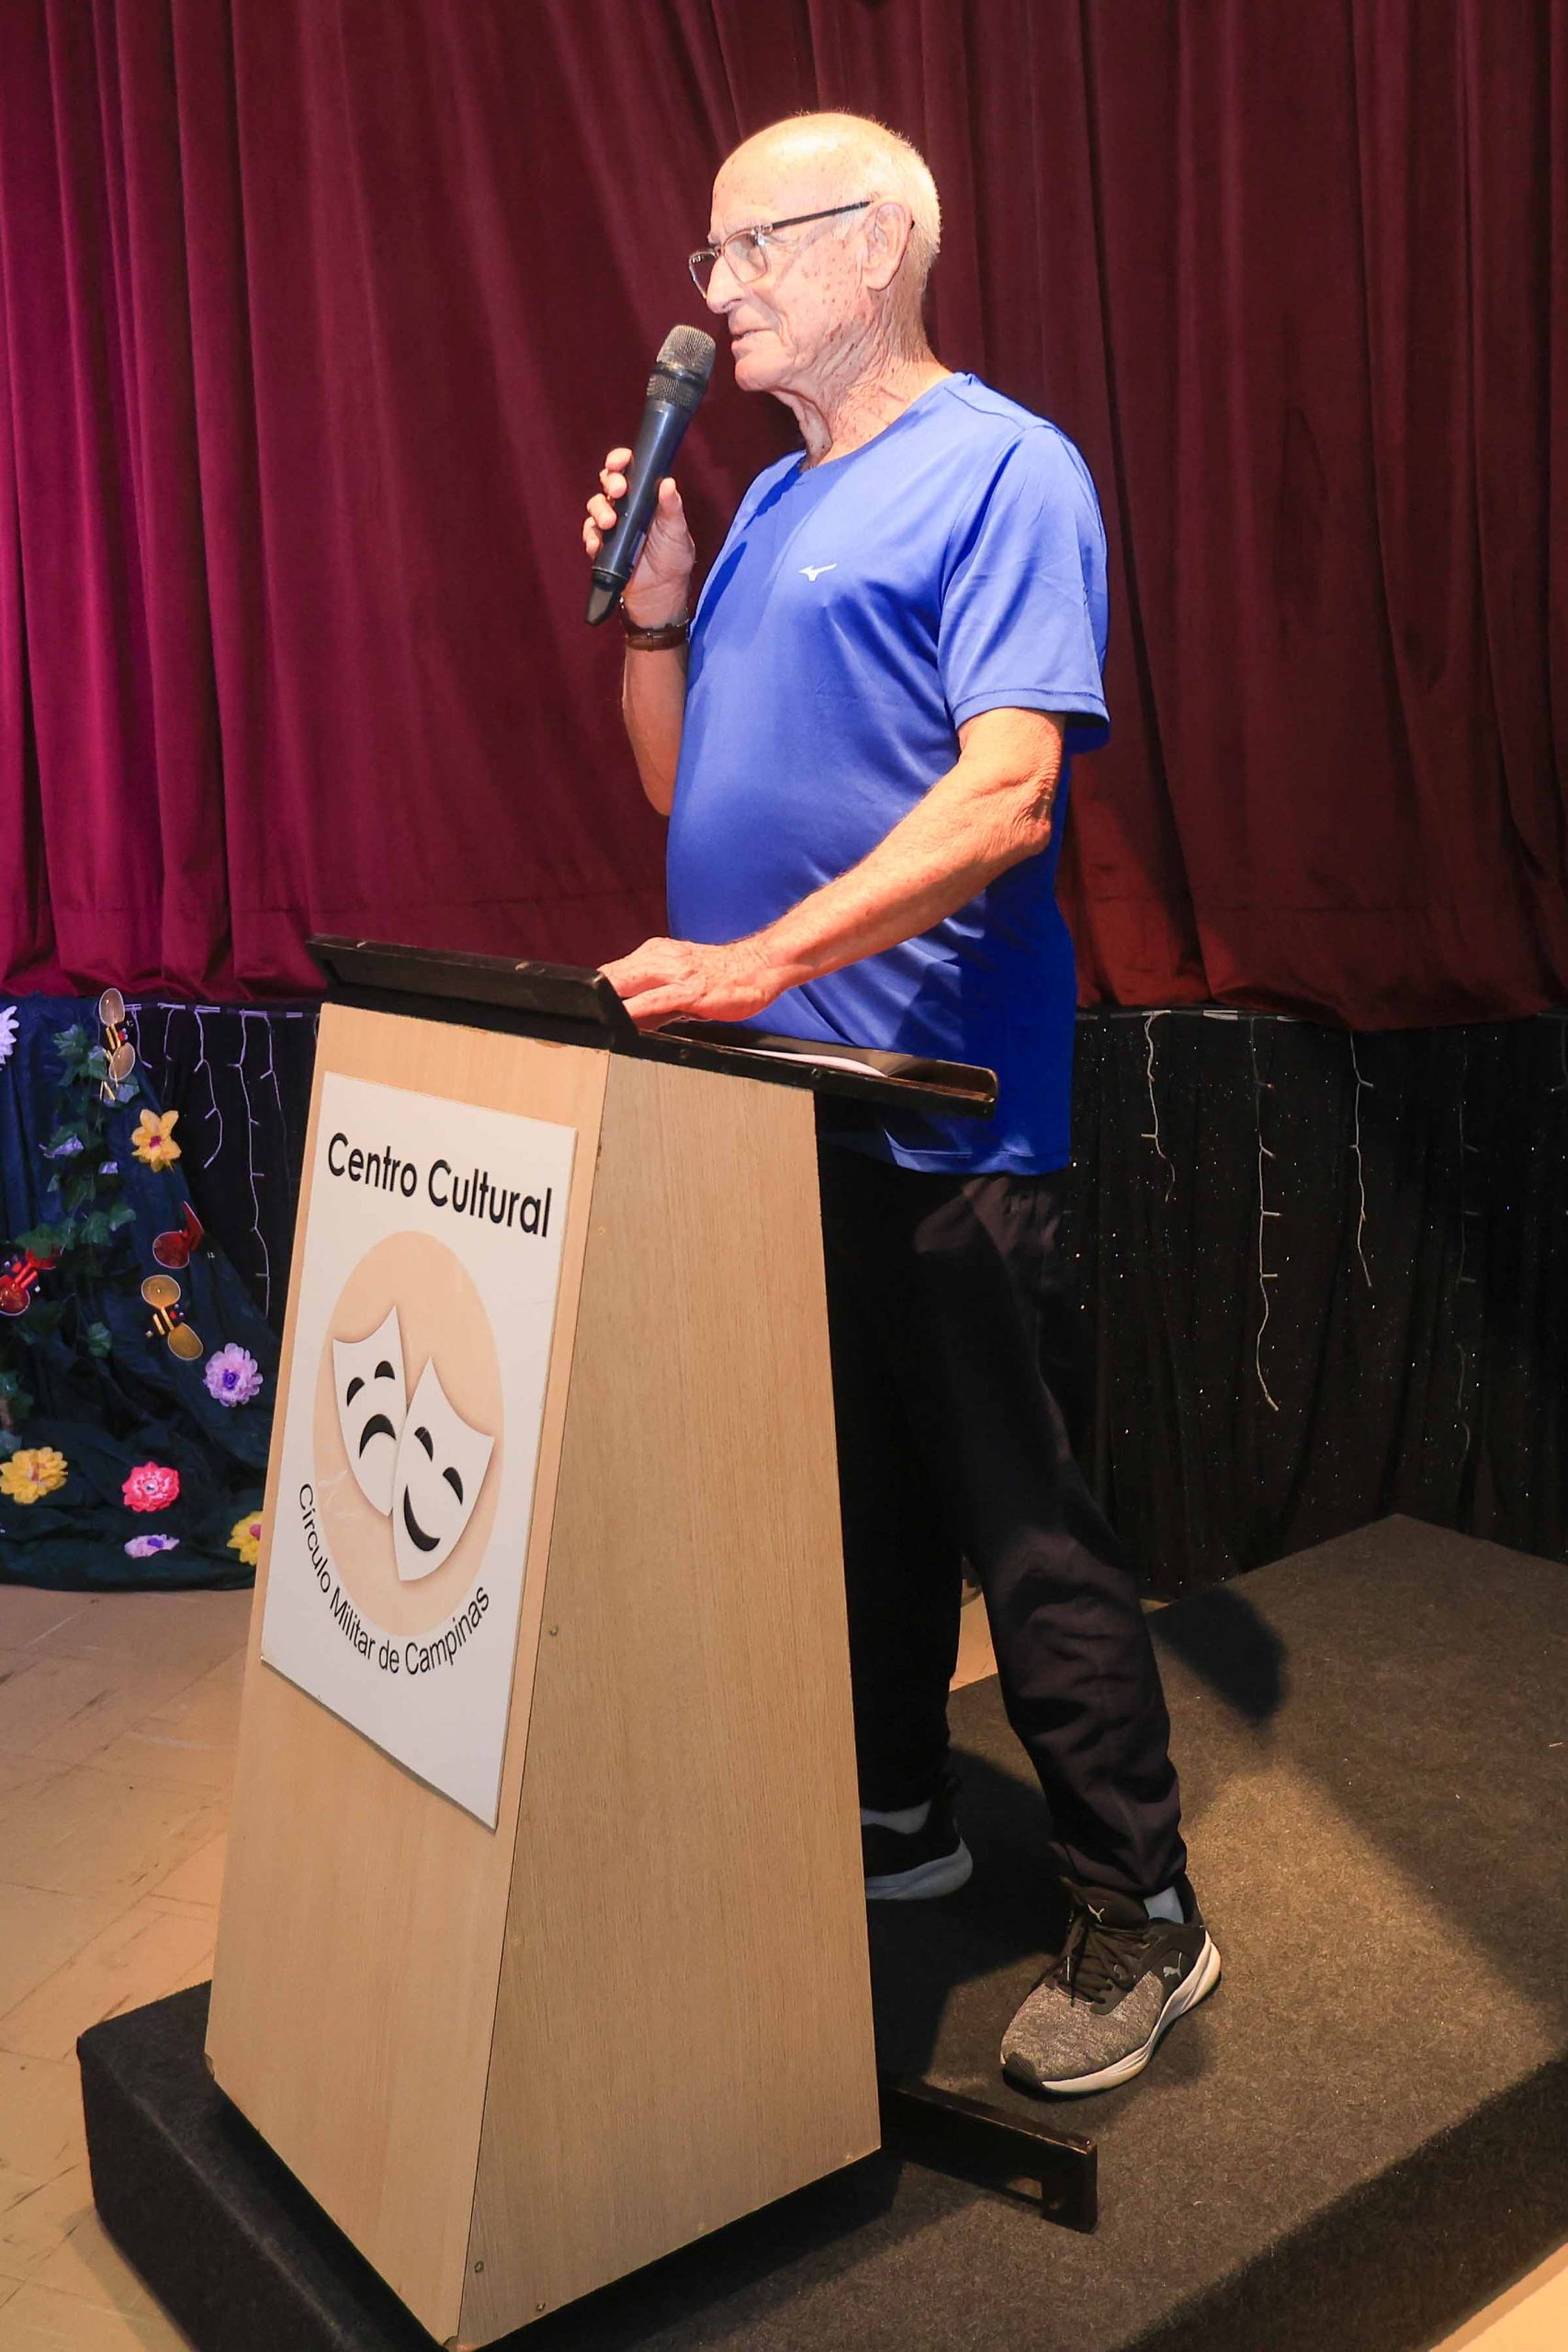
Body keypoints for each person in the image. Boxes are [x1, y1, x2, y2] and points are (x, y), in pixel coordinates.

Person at [582, 110, 1220, 2096]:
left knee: (1020, 1524)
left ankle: (1141, 1907)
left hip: (942, 1110)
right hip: (777, 1102)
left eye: (749, 248)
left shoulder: (1005, 470)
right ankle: (894, 1809)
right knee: (846, 1498)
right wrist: (659, 606)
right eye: (710, 258)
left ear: (876, 247)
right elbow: (680, 791)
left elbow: (1007, 794)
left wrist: (760, 961)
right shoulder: (772, 499)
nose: (715, 293)